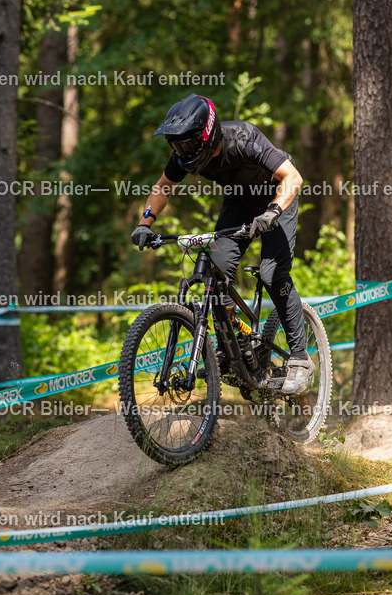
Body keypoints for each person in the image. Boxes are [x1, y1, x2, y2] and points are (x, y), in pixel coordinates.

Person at [130, 93, 313, 394]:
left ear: (206, 133)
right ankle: (237, 348)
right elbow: (163, 186)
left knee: (272, 274)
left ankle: (299, 357)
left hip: (277, 196)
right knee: (216, 274)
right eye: (177, 145)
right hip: (240, 201)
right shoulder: (182, 155)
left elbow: (292, 177)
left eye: (188, 144)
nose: (182, 151)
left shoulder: (243, 138)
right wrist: (145, 223)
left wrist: (274, 211)